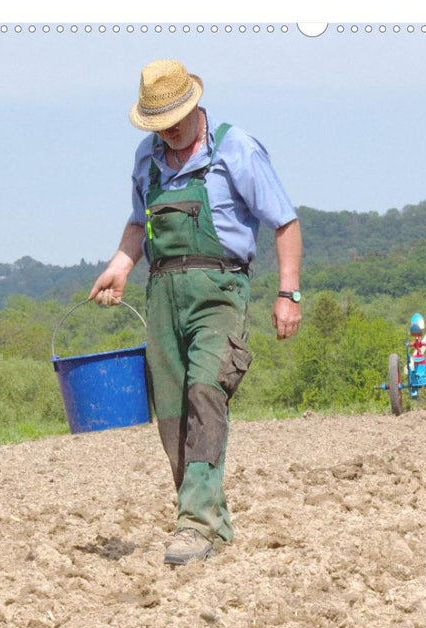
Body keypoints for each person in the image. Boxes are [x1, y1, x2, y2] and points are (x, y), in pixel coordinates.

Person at [89, 59, 302, 564]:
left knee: (206, 391)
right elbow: (138, 223)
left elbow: (285, 221)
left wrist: (288, 293)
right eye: (159, 123)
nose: (169, 130)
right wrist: (120, 265)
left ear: (194, 104)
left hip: (220, 288)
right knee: (171, 413)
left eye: (176, 118)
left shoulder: (236, 148)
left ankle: (195, 524)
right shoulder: (147, 158)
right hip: (161, 291)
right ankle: (211, 521)